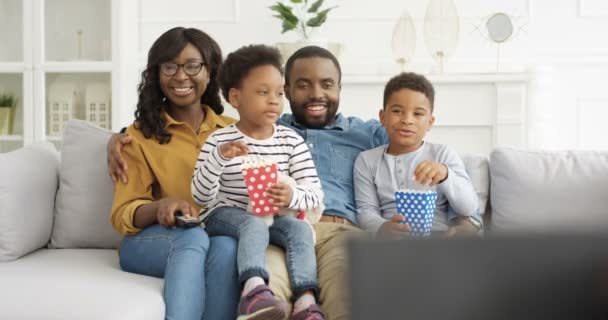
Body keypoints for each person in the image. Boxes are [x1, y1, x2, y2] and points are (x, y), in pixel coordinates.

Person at [109, 45, 484, 320]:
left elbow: (421, 147)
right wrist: (119, 136)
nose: (316, 93)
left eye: (327, 84)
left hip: (341, 230)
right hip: (279, 227)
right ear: (285, 90)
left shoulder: (370, 132)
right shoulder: (268, 129)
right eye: (302, 85)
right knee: (267, 289)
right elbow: (211, 131)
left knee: (345, 291)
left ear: (340, 88)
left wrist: (469, 221)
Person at [109, 27, 240, 320]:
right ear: (157, 74)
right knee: (192, 238)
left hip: (212, 234)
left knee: (227, 247)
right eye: (169, 66)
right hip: (149, 243)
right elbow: (122, 215)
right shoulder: (138, 137)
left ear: (210, 72)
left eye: (192, 65)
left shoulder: (234, 131)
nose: (181, 76)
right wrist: (161, 207)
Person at [191, 44, 325, 320]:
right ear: (236, 97)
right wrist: (218, 158)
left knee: (299, 230)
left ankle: (305, 301)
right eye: (263, 93)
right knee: (252, 224)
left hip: (271, 217)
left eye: (279, 92)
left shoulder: (291, 141)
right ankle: (254, 291)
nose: (275, 100)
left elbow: (314, 193)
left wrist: (291, 196)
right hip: (225, 214)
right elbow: (200, 197)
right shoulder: (219, 141)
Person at [353, 72, 482, 239]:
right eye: (397, 111)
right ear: (382, 117)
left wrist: (445, 175)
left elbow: (468, 207)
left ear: (430, 122)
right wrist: (382, 227)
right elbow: (365, 211)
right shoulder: (367, 160)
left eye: (418, 114)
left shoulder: (442, 154)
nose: (407, 120)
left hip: (439, 239)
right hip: (392, 242)